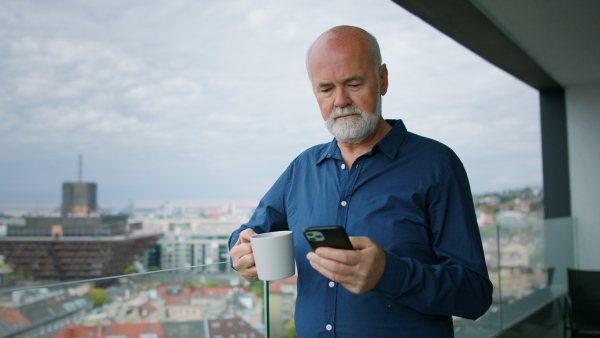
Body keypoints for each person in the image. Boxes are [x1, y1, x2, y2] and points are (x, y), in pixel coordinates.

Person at [229, 25, 493, 337]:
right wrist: (240, 252)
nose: (340, 100)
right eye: (326, 89)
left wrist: (389, 273)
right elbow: (249, 234)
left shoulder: (437, 165)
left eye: (353, 83)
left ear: (382, 79)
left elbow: (475, 295)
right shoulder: (302, 169)